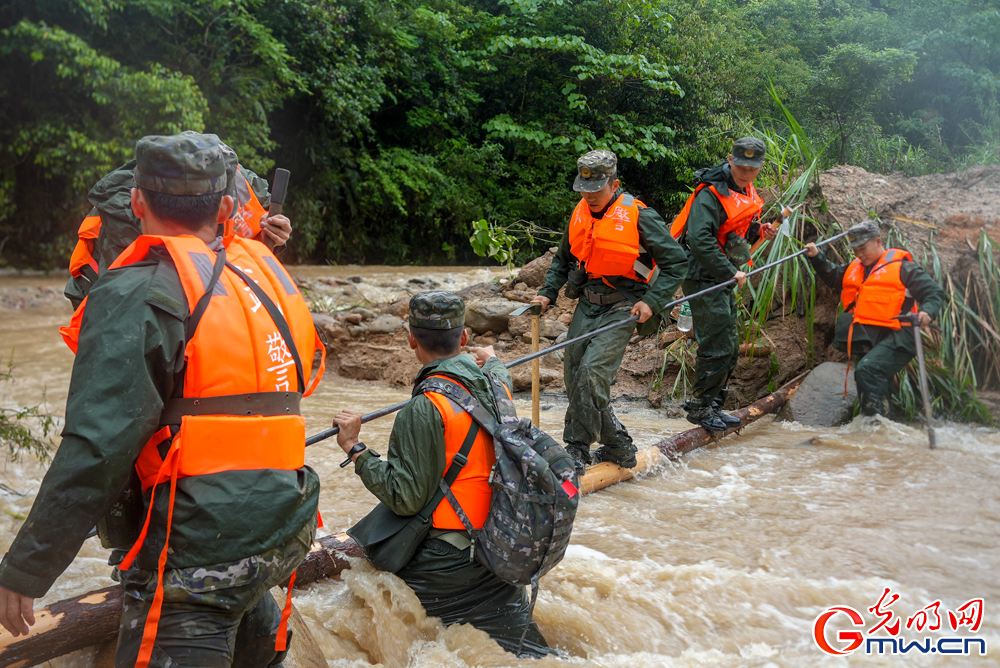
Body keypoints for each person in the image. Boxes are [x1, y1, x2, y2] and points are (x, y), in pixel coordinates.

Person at [0, 133, 323, 668]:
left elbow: (97, 447)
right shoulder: (262, 277)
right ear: (226, 208)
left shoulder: (136, 290)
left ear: (136, 202)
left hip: (194, 556)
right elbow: (303, 373)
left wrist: (26, 569)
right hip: (279, 539)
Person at [332, 292, 553, 658]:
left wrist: (355, 448)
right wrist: (494, 360)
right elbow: (499, 376)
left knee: (364, 595)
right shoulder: (495, 389)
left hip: (449, 564)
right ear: (464, 338)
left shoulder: (423, 409)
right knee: (528, 654)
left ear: (411, 339)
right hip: (499, 548)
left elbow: (405, 497)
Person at [531, 150, 688, 476]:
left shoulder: (640, 216)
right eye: (584, 191)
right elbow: (563, 259)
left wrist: (653, 301)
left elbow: (676, 263)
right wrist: (546, 293)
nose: (589, 197)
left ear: (614, 184)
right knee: (575, 377)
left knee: (591, 374)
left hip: (624, 306)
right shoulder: (580, 214)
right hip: (587, 304)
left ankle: (575, 448)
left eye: (596, 191)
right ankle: (618, 444)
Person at [65, 131, 292, 310]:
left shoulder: (239, 179)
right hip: (103, 295)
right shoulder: (129, 219)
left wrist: (272, 236)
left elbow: (252, 237)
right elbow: (130, 303)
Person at [670, 137, 777, 432]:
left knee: (728, 345)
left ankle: (715, 404)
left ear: (760, 167)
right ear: (730, 161)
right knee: (716, 343)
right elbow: (700, 240)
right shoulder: (710, 193)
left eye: (752, 169)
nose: (745, 173)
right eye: (740, 166)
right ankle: (700, 408)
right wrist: (730, 271)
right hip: (704, 273)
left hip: (722, 274)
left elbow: (735, 226)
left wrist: (759, 229)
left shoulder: (745, 189)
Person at [805, 220, 945, 417]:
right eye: (855, 250)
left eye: (863, 248)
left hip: (901, 336)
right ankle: (882, 429)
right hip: (870, 337)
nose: (859, 255)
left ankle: (875, 424)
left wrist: (927, 312)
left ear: (878, 241)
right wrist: (817, 257)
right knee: (871, 378)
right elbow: (834, 276)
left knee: (868, 370)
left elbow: (933, 293)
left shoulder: (903, 267)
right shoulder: (856, 267)